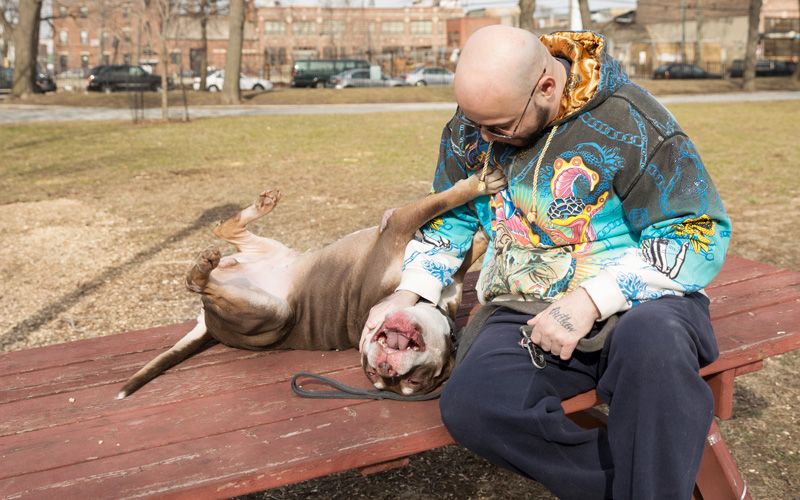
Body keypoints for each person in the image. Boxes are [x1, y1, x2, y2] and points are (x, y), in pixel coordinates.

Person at [361, 25, 732, 499]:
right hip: (522, 307)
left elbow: (696, 232)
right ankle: (641, 486)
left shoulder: (635, 123)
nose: (481, 137)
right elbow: (448, 223)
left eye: (497, 127)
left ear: (547, 87)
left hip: (643, 302)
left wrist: (590, 302)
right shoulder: (473, 127)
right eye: (473, 121)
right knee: (473, 406)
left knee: (655, 348)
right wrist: (408, 293)